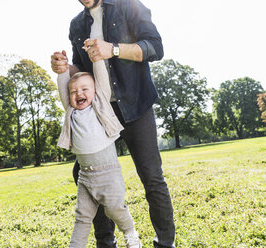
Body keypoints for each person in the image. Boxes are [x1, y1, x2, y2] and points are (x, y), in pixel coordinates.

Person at [51, 0, 175, 247]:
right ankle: (106, 242)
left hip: (136, 105)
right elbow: (82, 72)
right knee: (84, 173)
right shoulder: (77, 24)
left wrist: (114, 49)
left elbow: (155, 48)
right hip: (101, 110)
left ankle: (165, 242)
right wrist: (64, 68)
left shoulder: (128, 6)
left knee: (151, 176)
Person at [56, 56, 142, 248]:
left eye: (85, 89)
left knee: (115, 209)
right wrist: (62, 71)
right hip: (85, 177)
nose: (79, 93)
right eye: (74, 91)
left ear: (95, 92)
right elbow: (63, 87)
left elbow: (101, 78)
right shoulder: (71, 111)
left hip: (108, 174)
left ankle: (130, 233)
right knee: (82, 218)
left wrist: (97, 60)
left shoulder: (100, 103)